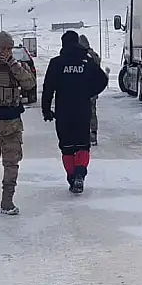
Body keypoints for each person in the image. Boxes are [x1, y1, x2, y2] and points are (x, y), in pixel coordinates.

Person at [0, 31, 36, 215]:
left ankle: (7, 200)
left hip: (12, 123)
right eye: (2, 48)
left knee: (12, 163)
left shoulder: (17, 66)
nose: (6, 51)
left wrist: (13, 65)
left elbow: (29, 84)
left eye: (9, 48)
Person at [42, 30, 109, 194]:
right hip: (82, 111)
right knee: (82, 146)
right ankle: (80, 174)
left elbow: (48, 87)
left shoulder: (56, 63)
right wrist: (89, 92)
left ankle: (72, 177)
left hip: (63, 112)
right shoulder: (87, 61)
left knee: (67, 148)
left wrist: (46, 110)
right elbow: (102, 79)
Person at [78, 34, 102, 146]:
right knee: (92, 112)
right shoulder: (94, 55)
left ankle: (83, 134)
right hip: (92, 89)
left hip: (82, 90)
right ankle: (93, 134)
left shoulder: (79, 56)